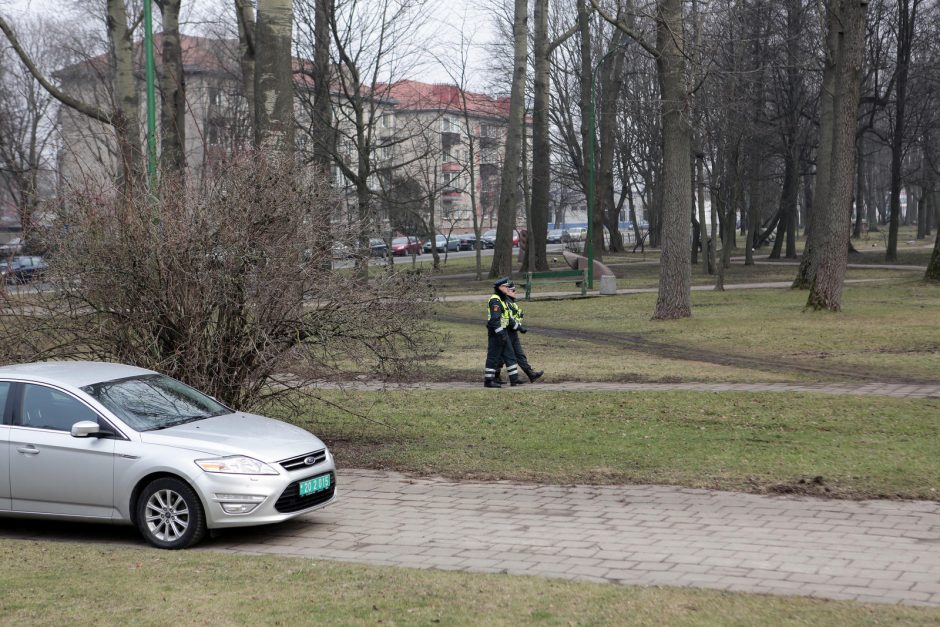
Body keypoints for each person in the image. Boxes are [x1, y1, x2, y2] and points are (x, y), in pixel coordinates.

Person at [483, 277, 525, 388]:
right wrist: (501, 333)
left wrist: (518, 328)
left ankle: (508, 379)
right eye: (506, 287)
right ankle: (488, 381)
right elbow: (494, 320)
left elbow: (507, 318)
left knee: (503, 355)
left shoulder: (502, 299)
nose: (508, 289)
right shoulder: (495, 300)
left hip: (502, 331)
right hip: (496, 332)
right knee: (493, 356)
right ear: (500, 287)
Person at [503, 280, 543, 383]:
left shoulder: (511, 302)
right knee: (504, 357)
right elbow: (508, 319)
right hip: (506, 332)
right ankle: (495, 377)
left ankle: (531, 374)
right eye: (513, 290)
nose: (515, 292)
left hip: (513, 332)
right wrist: (520, 328)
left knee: (519, 354)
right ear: (507, 291)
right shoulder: (505, 302)